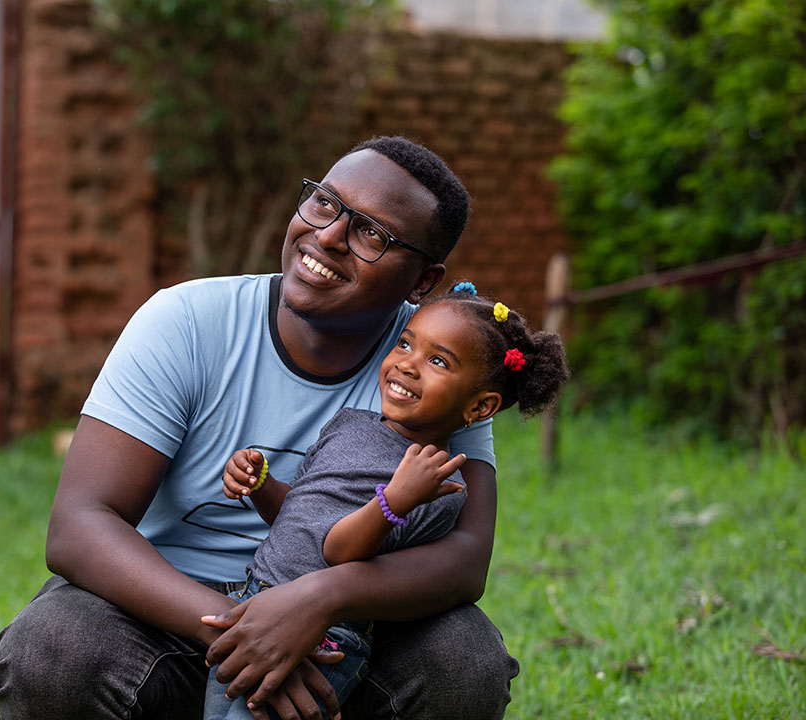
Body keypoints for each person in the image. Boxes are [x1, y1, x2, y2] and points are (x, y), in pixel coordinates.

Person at [0, 136, 521, 720]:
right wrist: (248, 633)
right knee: (54, 648)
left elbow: (466, 559)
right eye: (324, 204)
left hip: (344, 634)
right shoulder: (188, 322)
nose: (327, 237)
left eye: (371, 234)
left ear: (423, 282)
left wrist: (318, 600)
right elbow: (79, 526)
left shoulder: (437, 364)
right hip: (167, 615)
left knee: (464, 660)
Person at [203, 286, 570, 719]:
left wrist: (394, 500)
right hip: (259, 602)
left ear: (480, 405)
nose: (407, 365)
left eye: (438, 361)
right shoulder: (350, 424)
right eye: (405, 344)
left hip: (327, 634)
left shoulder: (438, 486)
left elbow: (340, 553)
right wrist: (261, 483)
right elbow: (301, 515)